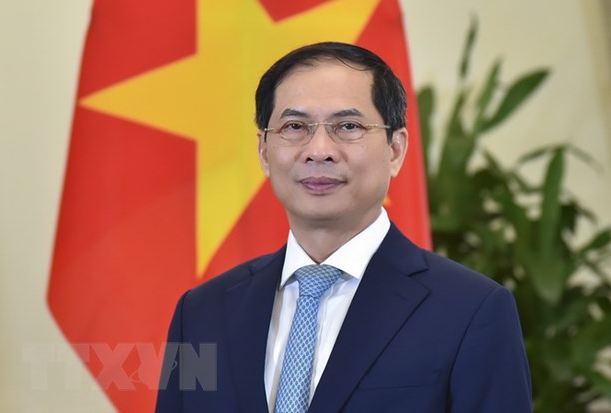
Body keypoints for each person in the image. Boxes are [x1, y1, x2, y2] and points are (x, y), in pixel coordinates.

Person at [155, 42, 532, 413]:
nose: (319, 150)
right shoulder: (201, 313)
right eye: (295, 126)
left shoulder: (471, 310)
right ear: (264, 152)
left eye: (348, 126)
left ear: (395, 149)